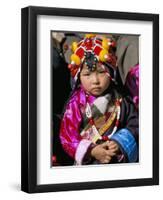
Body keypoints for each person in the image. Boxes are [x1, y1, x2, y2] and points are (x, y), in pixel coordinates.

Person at [59, 34, 138, 165]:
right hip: (89, 163)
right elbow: (67, 136)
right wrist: (92, 151)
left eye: (101, 72)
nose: (95, 81)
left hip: (117, 159)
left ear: (111, 72)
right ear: (78, 76)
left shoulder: (121, 99)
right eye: (87, 74)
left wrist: (120, 142)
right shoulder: (75, 104)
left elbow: (135, 123)